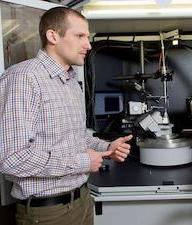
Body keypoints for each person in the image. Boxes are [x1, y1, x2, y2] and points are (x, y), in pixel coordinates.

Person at [0, 7, 132, 225]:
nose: (88, 45)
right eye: (79, 36)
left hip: (82, 201)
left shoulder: (70, 81)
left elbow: (76, 137)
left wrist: (106, 147)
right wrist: (83, 162)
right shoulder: (23, 78)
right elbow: (12, 158)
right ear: (53, 36)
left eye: (87, 37)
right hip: (47, 213)